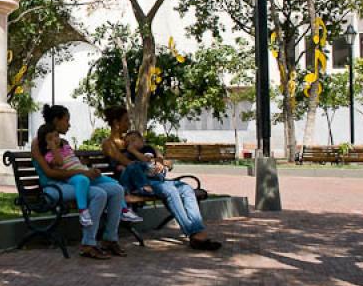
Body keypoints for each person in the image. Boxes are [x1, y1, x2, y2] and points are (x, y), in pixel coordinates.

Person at [101, 106, 222, 251]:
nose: (129, 123)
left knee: (186, 188)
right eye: (126, 120)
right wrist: (148, 163)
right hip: (136, 182)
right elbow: (128, 164)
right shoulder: (109, 144)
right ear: (116, 123)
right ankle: (194, 234)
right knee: (170, 190)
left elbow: (153, 153)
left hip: (153, 177)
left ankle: (197, 231)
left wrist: (158, 161)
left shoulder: (132, 139)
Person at [31, 104, 128, 259]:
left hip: (73, 182)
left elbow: (71, 164)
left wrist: (87, 169)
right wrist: (83, 172)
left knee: (117, 190)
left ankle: (110, 239)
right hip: (53, 186)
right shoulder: (39, 142)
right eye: (66, 120)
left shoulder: (63, 143)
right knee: (99, 194)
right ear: (56, 120)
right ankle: (88, 244)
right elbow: (51, 172)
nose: (69, 124)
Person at [38, 122, 94, 227]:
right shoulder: (48, 153)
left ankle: (93, 237)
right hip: (54, 186)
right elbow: (58, 165)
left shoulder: (65, 147)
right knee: (96, 192)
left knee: (111, 188)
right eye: (51, 138)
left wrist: (86, 167)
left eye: (56, 136)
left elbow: (73, 162)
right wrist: (53, 147)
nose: (69, 124)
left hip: (71, 180)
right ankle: (84, 214)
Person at [121, 130, 172, 195]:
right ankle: (143, 187)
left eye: (133, 140)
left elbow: (147, 159)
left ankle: (144, 186)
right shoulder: (128, 153)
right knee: (134, 165)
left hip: (153, 174)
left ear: (141, 140)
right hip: (137, 179)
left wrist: (134, 151)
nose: (131, 144)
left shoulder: (148, 148)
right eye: (128, 142)